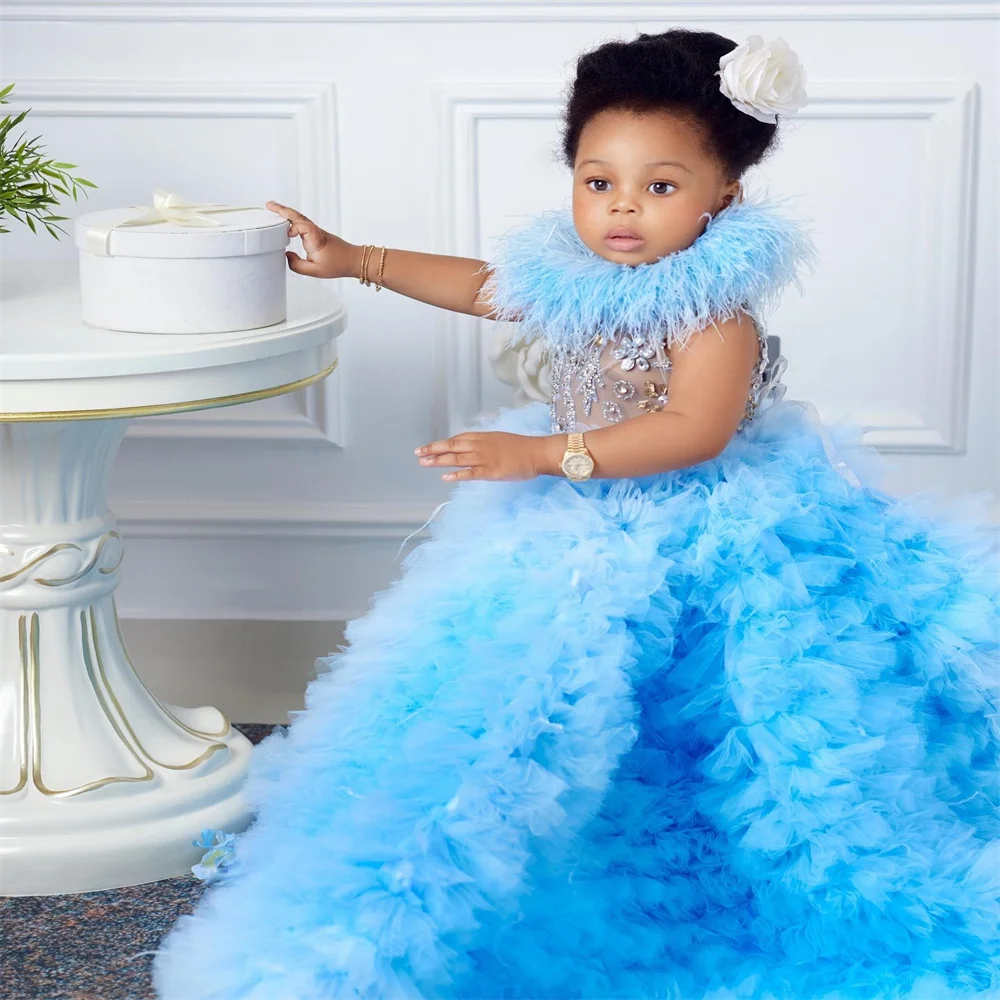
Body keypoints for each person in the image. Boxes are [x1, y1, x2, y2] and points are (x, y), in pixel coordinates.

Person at [152, 28, 999, 1000]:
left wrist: (545, 455)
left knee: (706, 708)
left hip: (695, 527)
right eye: (598, 182)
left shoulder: (713, 316)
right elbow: (482, 286)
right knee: (508, 692)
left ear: (723, 193)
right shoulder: (578, 282)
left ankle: (700, 861)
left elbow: (694, 429)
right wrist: (358, 257)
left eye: (660, 186)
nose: (623, 208)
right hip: (579, 524)